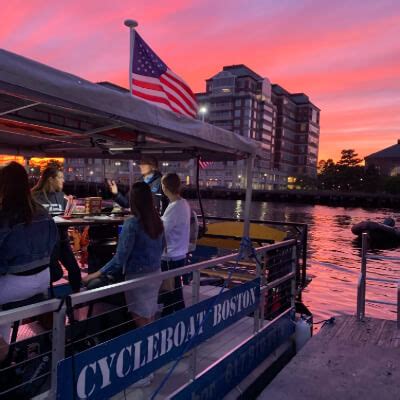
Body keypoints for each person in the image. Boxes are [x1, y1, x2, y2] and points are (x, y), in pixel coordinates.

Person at [83, 181, 164, 328]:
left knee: (139, 316)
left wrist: (95, 274)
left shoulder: (132, 224)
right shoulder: (158, 221)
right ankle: (152, 344)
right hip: (156, 273)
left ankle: (147, 345)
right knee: (150, 313)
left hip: (137, 277)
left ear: (133, 200)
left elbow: (120, 259)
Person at [0, 162, 58, 345]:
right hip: (43, 279)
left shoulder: (5, 216)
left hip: (15, 284)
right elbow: (54, 245)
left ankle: (3, 349)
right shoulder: (43, 212)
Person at [32, 167, 82, 292]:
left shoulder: (62, 196)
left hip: (62, 241)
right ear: (51, 180)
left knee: (75, 271)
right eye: (60, 177)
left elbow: (68, 215)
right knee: (54, 273)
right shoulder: (34, 197)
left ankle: (77, 299)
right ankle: (45, 298)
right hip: (44, 244)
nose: (63, 180)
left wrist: (75, 210)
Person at [159, 173, 191, 316]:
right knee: (175, 290)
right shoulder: (184, 203)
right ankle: (174, 318)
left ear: (165, 187)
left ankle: (175, 319)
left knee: (171, 292)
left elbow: (162, 231)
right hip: (180, 253)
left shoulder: (173, 207)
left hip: (170, 255)